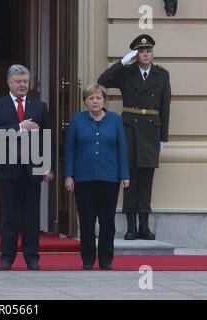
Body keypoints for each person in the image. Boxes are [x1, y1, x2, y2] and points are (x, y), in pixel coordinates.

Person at [98, 34, 171, 240]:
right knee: (128, 179)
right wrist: (121, 62)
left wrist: (163, 137)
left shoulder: (161, 75)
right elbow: (102, 81)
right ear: (136, 55)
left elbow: (165, 106)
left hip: (151, 130)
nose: (145, 55)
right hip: (130, 129)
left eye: (148, 52)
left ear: (152, 54)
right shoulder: (126, 72)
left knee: (146, 180)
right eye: (141, 52)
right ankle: (130, 227)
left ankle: (144, 227)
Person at [0, 64, 55, 270]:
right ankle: (6, 257)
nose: (23, 85)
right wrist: (18, 127)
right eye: (18, 81)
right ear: (9, 82)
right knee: (8, 216)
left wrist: (48, 167)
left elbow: (47, 139)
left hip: (33, 170)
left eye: (25, 81)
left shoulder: (39, 106)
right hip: (8, 169)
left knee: (31, 216)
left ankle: (32, 256)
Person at [64, 84, 130, 270]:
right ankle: (87, 259)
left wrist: (124, 174)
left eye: (98, 98)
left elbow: (122, 149)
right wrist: (69, 175)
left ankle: (106, 259)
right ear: (85, 101)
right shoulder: (77, 120)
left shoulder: (115, 120)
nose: (94, 101)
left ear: (104, 100)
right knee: (86, 221)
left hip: (109, 177)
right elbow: (70, 150)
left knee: (107, 221)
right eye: (91, 98)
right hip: (84, 178)